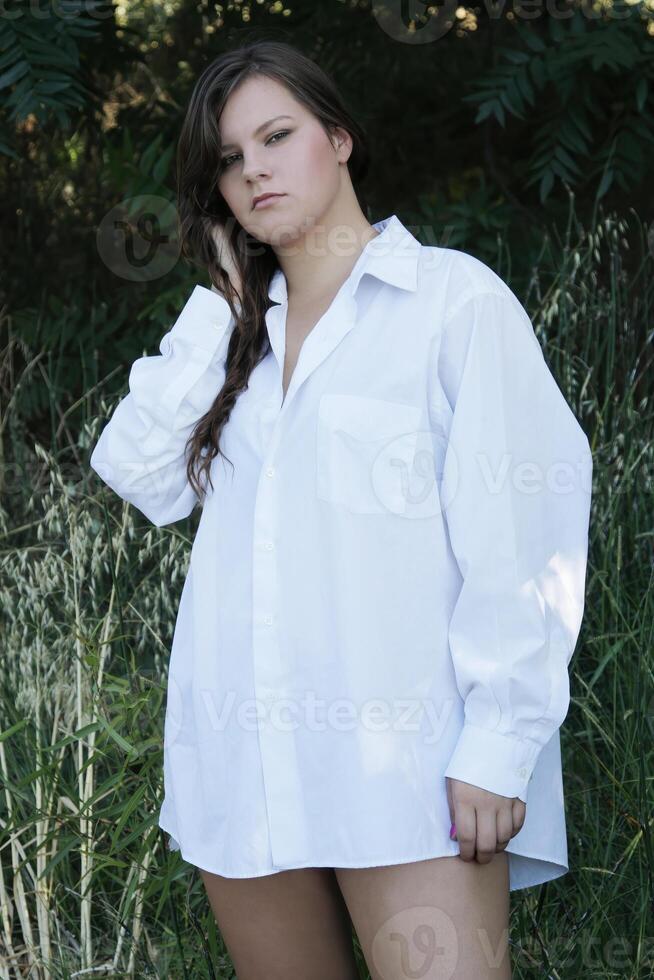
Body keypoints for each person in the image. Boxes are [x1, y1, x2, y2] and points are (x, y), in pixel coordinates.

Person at [89, 39, 593, 980]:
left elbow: (525, 534)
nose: (255, 171)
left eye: (277, 136)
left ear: (340, 138)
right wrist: (223, 302)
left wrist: (498, 742)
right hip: (244, 769)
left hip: (408, 770)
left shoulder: (451, 304)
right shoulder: (233, 338)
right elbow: (134, 472)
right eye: (230, 161)